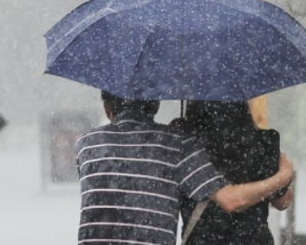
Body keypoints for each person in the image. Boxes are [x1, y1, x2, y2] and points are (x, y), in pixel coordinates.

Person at [75, 91, 294, 245]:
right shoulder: (176, 144)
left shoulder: (85, 145)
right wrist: (283, 176)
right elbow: (237, 200)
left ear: (106, 107)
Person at [176, 101, 293, 245]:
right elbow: (282, 202)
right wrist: (282, 178)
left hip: (202, 240)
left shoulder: (187, 145)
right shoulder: (262, 143)